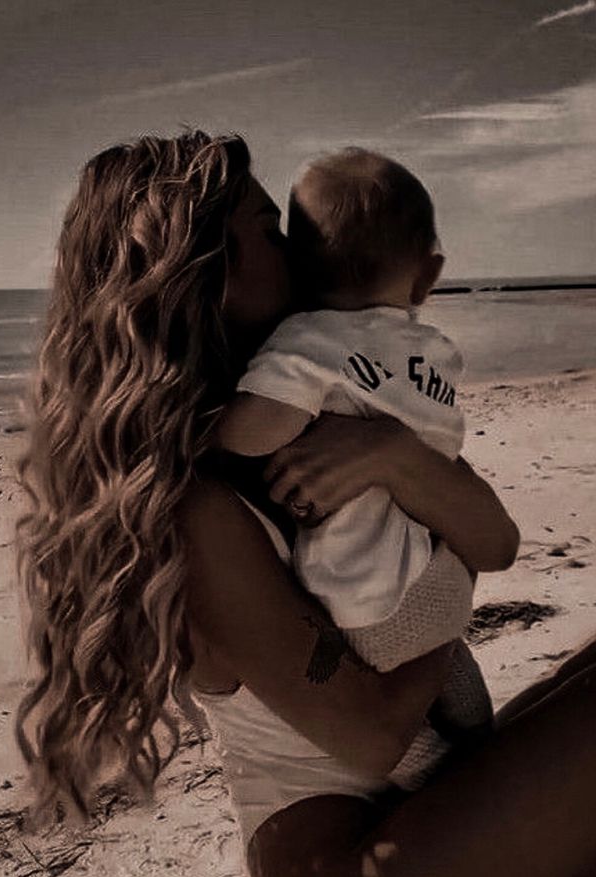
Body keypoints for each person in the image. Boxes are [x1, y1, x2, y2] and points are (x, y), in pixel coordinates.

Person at [14, 130, 596, 877]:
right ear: (204, 271)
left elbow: (500, 538)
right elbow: (374, 733)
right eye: (270, 229)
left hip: (432, 813)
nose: (301, 246)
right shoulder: (198, 509)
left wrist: (395, 454)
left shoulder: (327, 406)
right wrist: (441, 567)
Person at [214, 148, 501, 790]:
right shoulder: (430, 353)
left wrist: (207, 434)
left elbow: (252, 434)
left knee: (436, 759)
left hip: (376, 611)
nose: (288, 248)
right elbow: (490, 538)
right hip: (434, 586)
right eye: (270, 231)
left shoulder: (312, 351)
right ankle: (484, 762)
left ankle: (471, 777)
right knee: (475, 727)